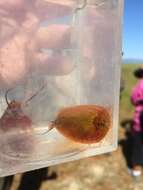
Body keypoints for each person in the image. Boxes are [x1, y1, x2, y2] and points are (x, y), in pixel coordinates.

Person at [129, 67, 143, 177]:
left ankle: (136, 169)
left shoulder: (139, 85)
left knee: (138, 145)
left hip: (139, 122)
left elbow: (133, 99)